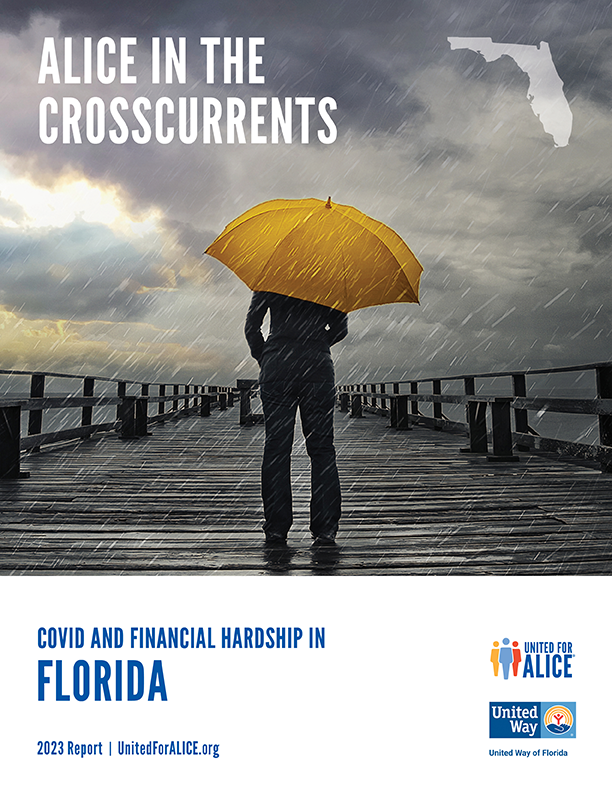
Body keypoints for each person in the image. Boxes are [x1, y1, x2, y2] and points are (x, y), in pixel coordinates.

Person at [244, 290, 348, 545]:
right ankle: (325, 528)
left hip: (278, 366)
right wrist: (316, 342)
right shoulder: (329, 281)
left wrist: (267, 354)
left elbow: (251, 328)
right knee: (322, 449)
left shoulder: (270, 277)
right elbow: (341, 328)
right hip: (318, 368)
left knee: (277, 448)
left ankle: (277, 527)